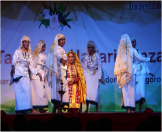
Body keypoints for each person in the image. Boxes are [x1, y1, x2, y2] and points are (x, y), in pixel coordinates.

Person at [114, 34, 155, 113]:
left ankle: (130, 109)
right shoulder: (124, 51)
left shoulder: (128, 50)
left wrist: (149, 59)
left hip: (129, 73)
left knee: (128, 91)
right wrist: (149, 59)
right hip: (127, 73)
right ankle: (130, 109)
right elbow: (117, 63)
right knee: (129, 91)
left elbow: (139, 58)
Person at [10, 36, 42, 114]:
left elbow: (31, 67)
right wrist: (13, 68)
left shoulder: (29, 54)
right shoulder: (17, 51)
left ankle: (27, 109)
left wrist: (38, 73)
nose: (27, 43)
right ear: (22, 42)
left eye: (28, 42)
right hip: (18, 75)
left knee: (27, 92)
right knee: (19, 93)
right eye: (25, 42)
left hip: (26, 75)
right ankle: (19, 110)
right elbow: (13, 62)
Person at [45, 33, 69, 113]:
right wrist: (63, 60)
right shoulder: (59, 49)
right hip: (60, 72)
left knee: (56, 90)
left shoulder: (56, 48)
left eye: (64, 39)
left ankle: (55, 109)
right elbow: (60, 58)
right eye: (62, 40)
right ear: (58, 41)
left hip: (58, 72)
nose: (64, 41)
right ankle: (59, 110)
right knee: (60, 89)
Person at [130, 37, 155, 112]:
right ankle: (132, 109)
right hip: (133, 72)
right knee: (134, 91)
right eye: (131, 42)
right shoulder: (129, 51)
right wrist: (150, 59)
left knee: (141, 90)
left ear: (136, 43)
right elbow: (140, 59)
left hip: (140, 72)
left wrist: (148, 71)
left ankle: (140, 109)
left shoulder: (138, 51)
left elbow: (142, 61)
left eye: (134, 42)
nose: (133, 43)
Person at [83, 41, 105, 113]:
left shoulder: (97, 55)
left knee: (95, 92)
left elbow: (99, 66)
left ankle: (96, 109)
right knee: (88, 92)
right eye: (88, 47)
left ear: (93, 47)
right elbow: (85, 68)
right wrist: (85, 77)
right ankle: (86, 109)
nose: (89, 48)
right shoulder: (86, 56)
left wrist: (99, 77)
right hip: (88, 76)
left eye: (90, 47)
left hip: (95, 76)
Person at [66, 51, 87, 116]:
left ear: (74, 58)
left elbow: (80, 77)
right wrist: (67, 81)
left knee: (75, 110)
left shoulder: (77, 66)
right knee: (68, 109)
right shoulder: (65, 66)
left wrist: (74, 80)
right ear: (67, 58)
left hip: (75, 87)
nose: (71, 58)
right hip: (67, 87)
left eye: (72, 57)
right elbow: (62, 76)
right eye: (69, 57)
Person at [30, 40, 48, 113]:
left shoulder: (35, 55)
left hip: (37, 76)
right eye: (44, 46)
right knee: (38, 92)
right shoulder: (40, 56)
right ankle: (34, 109)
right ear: (42, 47)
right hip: (37, 76)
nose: (45, 48)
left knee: (38, 92)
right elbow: (48, 65)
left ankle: (39, 108)